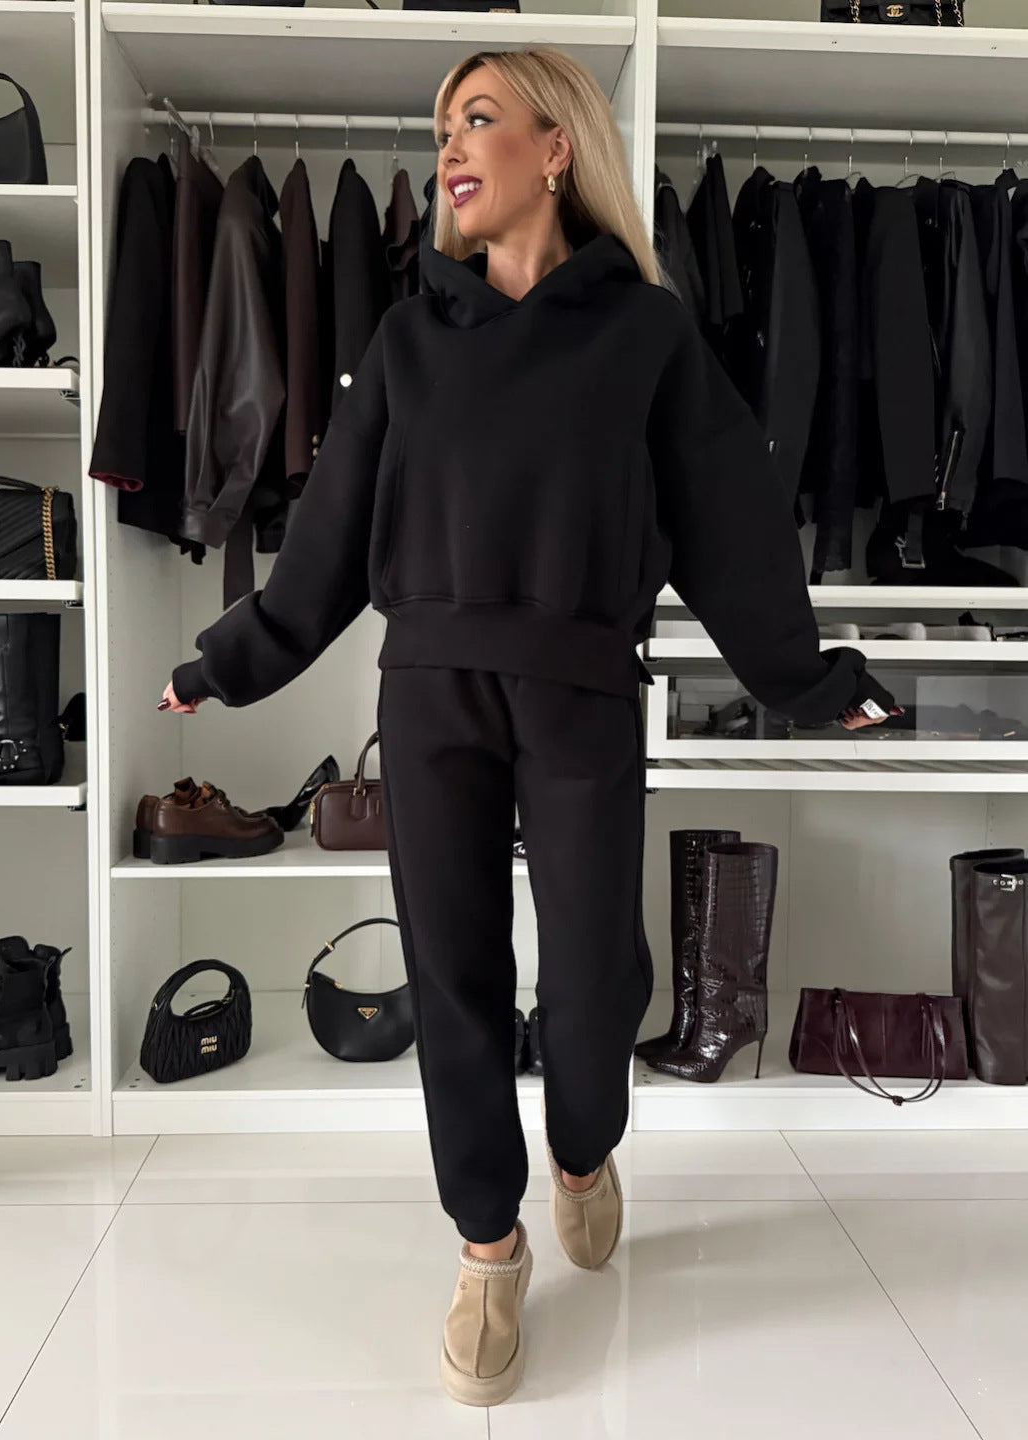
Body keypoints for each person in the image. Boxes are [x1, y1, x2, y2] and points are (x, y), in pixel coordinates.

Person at [162, 46, 897, 1407]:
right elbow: (327, 542)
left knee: (598, 972)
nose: (449, 146)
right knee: (453, 974)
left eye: (479, 118)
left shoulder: (647, 335)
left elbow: (732, 530)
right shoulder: (404, 340)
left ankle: (583, 1143)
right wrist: (228, 663)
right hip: (431, 688)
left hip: (581, 685)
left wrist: (805, 677)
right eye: (442, 125)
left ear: (558, 148)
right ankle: (488, 1249)